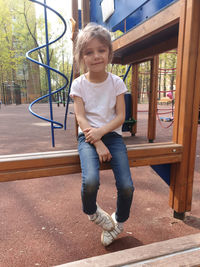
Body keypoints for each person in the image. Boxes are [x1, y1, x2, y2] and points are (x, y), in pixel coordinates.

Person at [70, 23, 134, 246]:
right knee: (90, 182)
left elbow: (120, 117)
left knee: (126, 186)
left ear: (109, 52)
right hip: (87, 137)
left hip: (112, 136)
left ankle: (118, 222)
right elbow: (81, 118)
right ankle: (92, 212)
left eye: (101, 50)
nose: (96, 56)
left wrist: (102, 134)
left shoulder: (116, 83)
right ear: (81, 56)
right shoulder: (79, 84)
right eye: (89, 52)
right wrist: (97, 142)